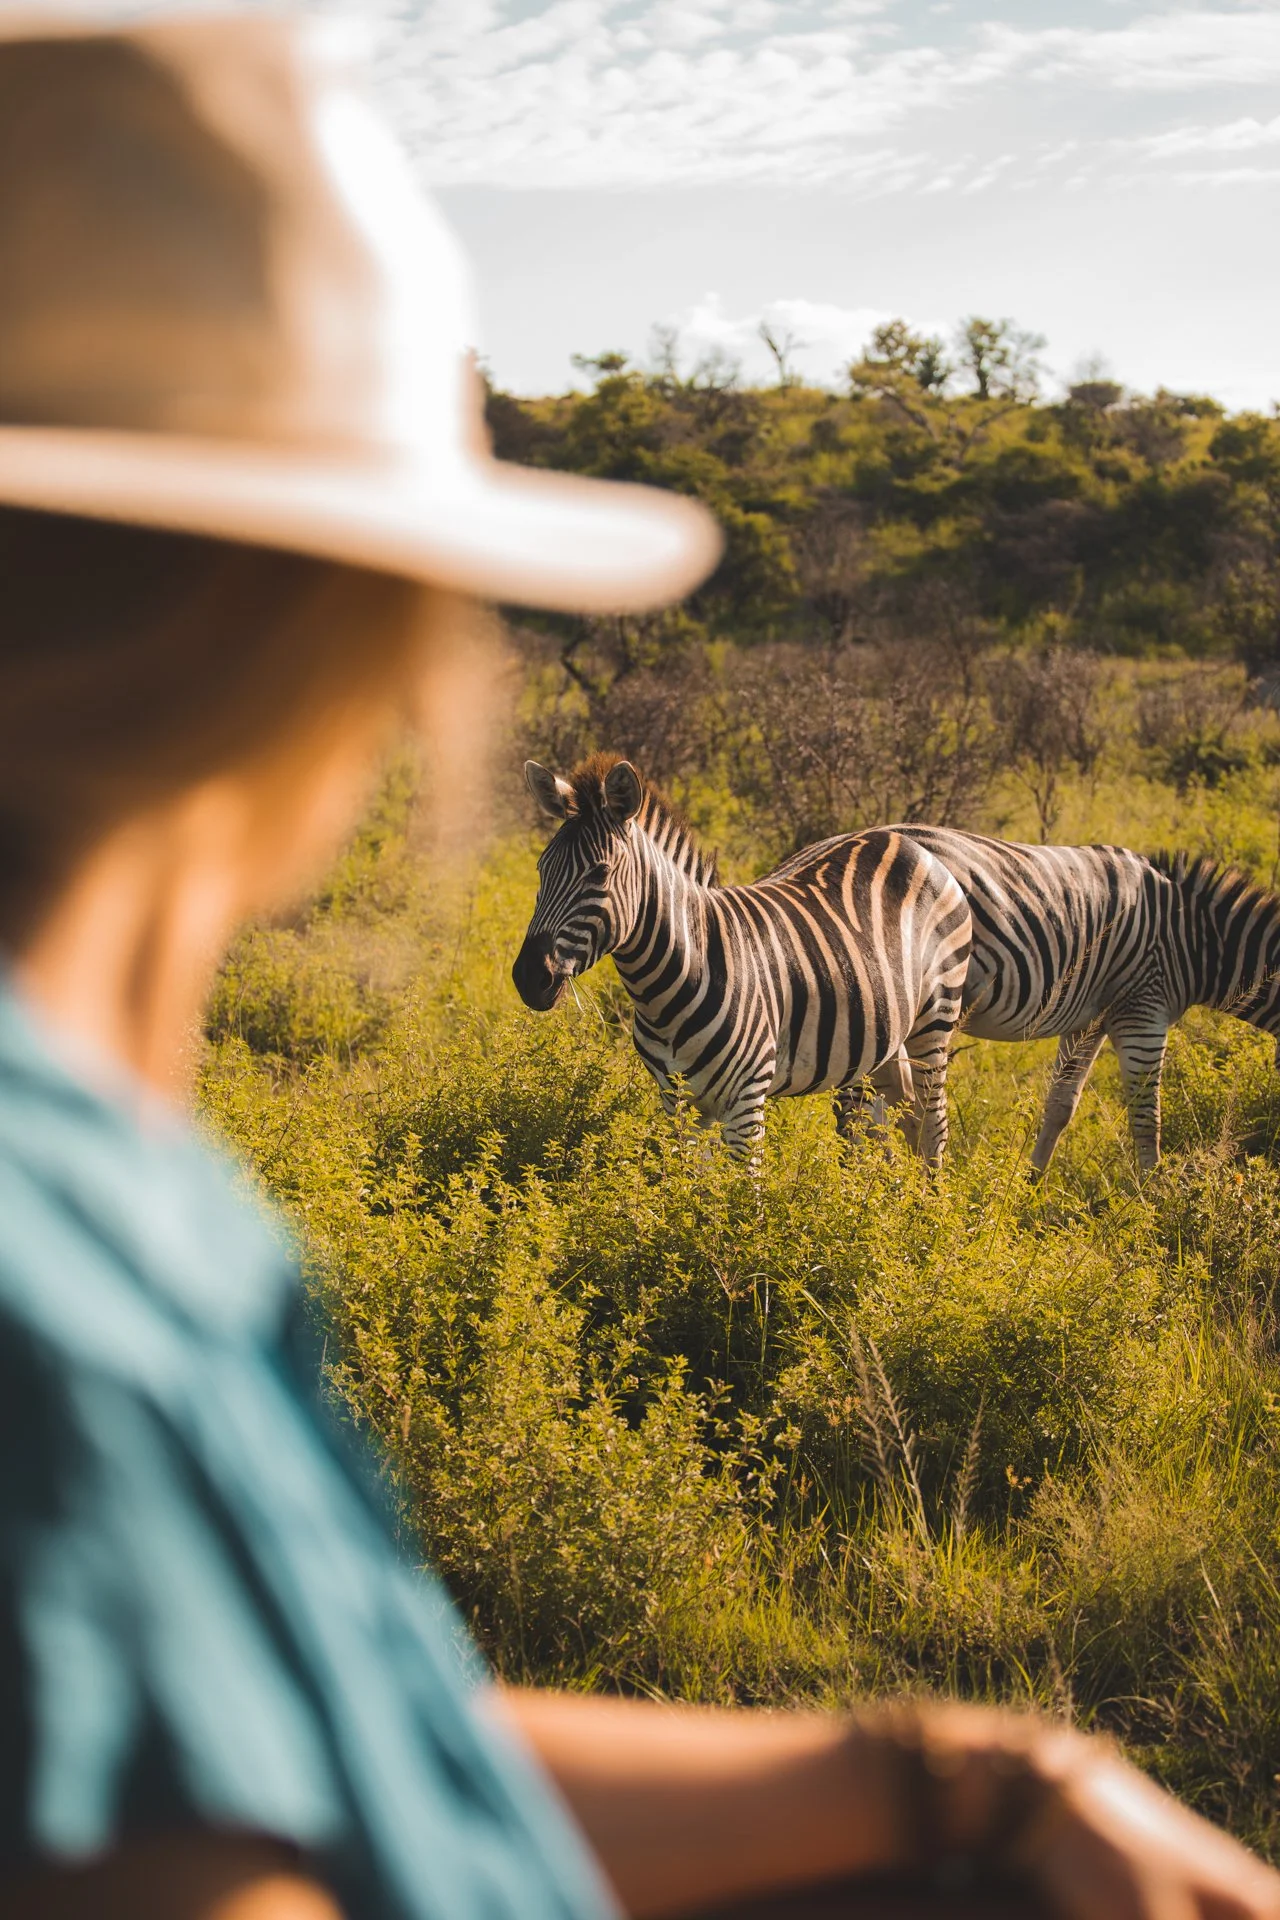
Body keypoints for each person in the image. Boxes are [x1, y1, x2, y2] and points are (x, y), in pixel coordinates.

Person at [0, 15, 1274, 1920]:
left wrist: (961, 1777)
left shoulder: (125, 1189)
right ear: (335, 642)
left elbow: (302, 1738)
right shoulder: (62, 1296)